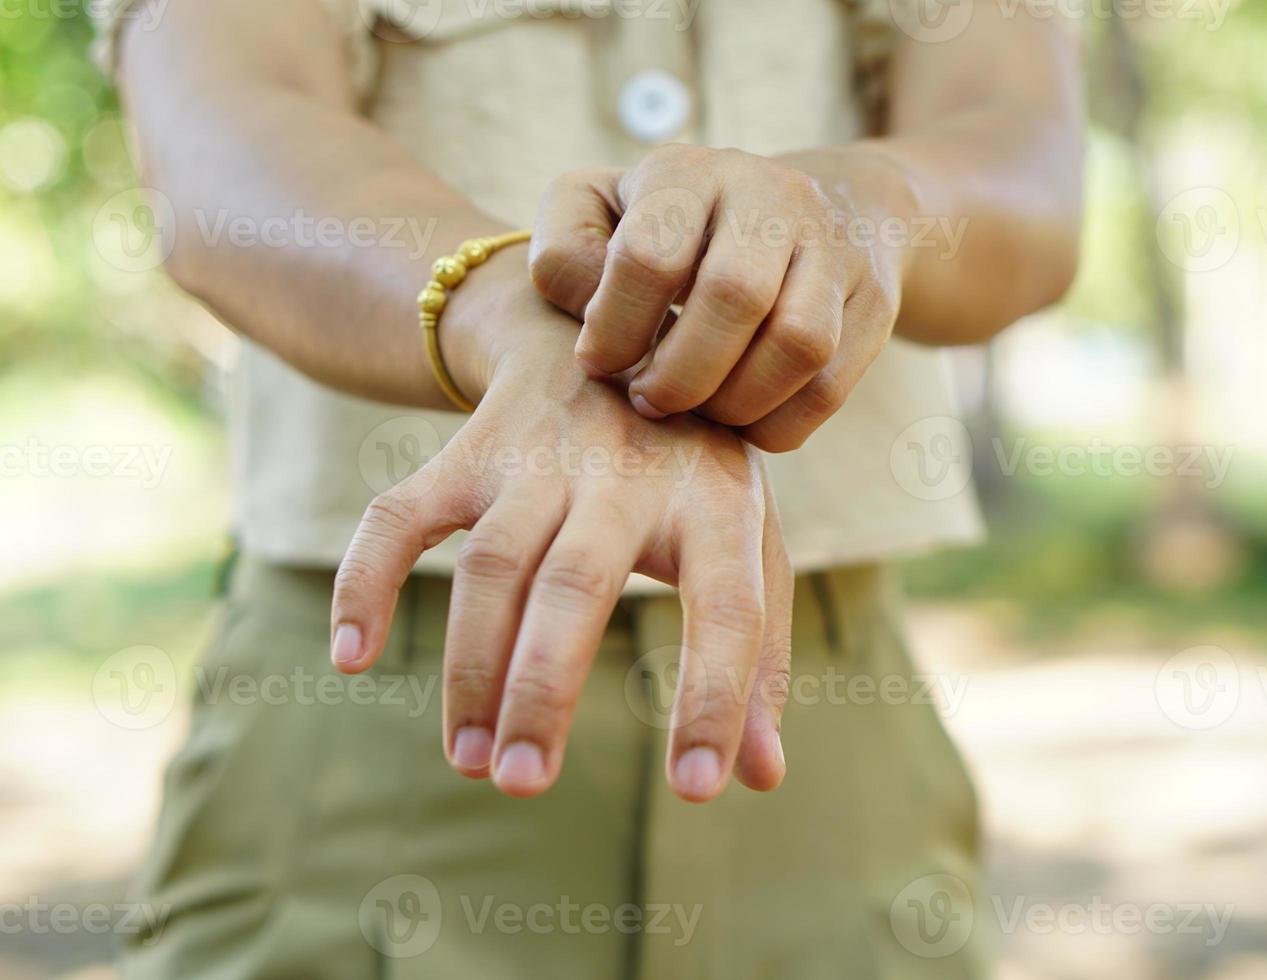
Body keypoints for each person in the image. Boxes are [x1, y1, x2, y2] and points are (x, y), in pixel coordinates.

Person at [95, 0, 1082, 975]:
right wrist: (514, 319)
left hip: (830, 718)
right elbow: (219, 134)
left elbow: (1029, 164)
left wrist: (854, 214)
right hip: (372, 711)